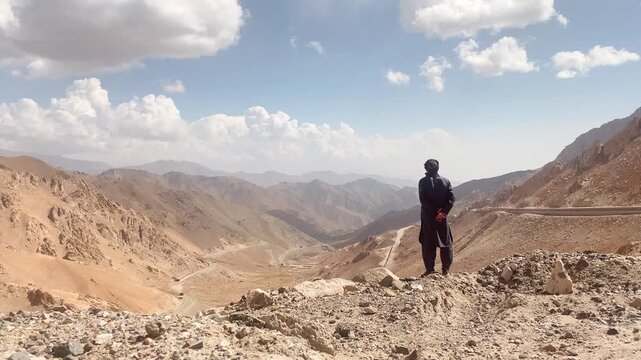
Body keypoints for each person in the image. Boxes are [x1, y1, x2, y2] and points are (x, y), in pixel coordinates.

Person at [418, 159, 455, 276]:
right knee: (446, 242)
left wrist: (434, 212)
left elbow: (424, 201)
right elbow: (451, 199)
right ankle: (446, 270)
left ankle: (430, 270)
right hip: (442, 218)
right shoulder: (446, 181)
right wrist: (442, 212)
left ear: (426, 168)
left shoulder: (422, 182)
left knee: (428, 243)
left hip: (428, 218)